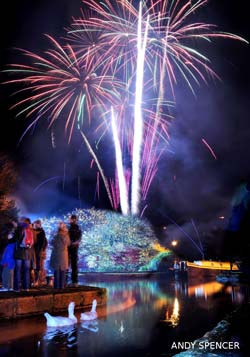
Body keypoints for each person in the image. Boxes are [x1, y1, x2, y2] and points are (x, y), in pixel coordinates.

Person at [13, 217, 35, 291]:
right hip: (27, 253)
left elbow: (15, 239)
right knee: (26, 271)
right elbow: (33, 242)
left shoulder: (19, 229)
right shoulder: (30, 231)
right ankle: (26, 287)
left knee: (18, 270)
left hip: (19, 253)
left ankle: (17, 288)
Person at [49, 221, 70, 289]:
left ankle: (56, 286)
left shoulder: (55, 236)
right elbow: (69, 243)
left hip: (56, 255)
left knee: (57, 271)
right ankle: (62, 286)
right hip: (64, 255)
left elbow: (51, 242)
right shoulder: (66, 236)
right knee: (63, 271)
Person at [0, 223, 15, 291]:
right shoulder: (12, 243)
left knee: (6, 273)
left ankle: (6, 287)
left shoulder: (10, 244)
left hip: (8, 262)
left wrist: (4, 262)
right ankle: (9, 287)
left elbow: (7, 254)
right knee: (9, 273)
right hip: (10, 261)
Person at [68, 215, 82, 287]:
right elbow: (78, 240)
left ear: (73, 220)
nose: (68, 220)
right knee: (74, 265)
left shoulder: (70, 229)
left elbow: (77, 240)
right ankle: (74, 282)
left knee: (69, 265)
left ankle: (69, 281)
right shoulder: (78, 229)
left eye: (70, 219)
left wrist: (70, 243)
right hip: (74, 249)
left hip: (70, 249)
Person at [33, 219, 48, 286]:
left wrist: (42, 250)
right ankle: (35, 280)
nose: (36, 225)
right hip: (33, 251)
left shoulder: (42, 232)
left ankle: (37, 280)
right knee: (35, 266)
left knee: (38, 266)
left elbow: (44, 243)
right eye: (35, 224)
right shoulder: (33, 231)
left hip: (38, 251)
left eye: (37, 224)